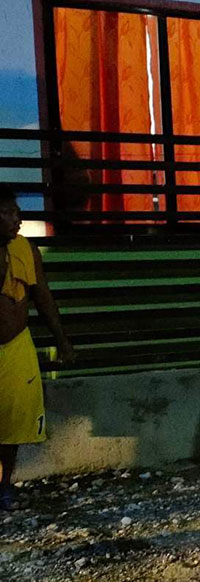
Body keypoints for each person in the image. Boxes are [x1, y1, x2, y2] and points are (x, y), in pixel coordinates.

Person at [0, 184, 73, 511]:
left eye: (17, 212)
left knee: (14, 423)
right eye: (10, 213)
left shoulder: (24, 249)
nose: (18, 219)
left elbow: (42, 296)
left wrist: (61, 340)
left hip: (16, 345)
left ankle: (4, 486)